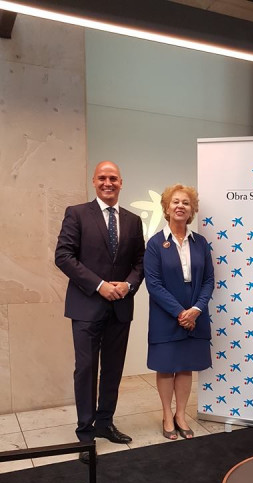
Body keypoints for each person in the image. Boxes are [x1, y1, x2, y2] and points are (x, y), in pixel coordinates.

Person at [55, 161, 145, 460]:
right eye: (103, 178)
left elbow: (141, 262)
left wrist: (128, 285)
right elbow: (64, 256)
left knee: (113, 370)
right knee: (86, 370)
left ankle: (105, 423)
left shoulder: (133, 220)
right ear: (94, 181)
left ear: (122, 182)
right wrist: (99, 285)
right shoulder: (77, 213)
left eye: (114, 178)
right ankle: (85, 434)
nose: (108, 183)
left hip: (120, 307)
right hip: (86, 306)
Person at [144, 184, 214, 440]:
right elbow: (153, 284)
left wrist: (195, 310)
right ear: (166, 207)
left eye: (186, 202)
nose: (180, 206)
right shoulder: (154, 244)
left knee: (185, 367)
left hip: (195, 313)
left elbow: (208, 280)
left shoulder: (201, 243)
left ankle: (181, 414)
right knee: (165, 366)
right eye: (175, 202)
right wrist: (180, 313)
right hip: (165, 314)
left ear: (192, 209)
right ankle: (166, 414)